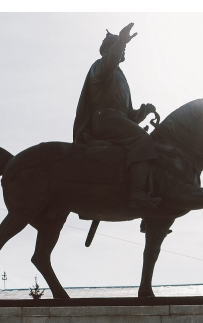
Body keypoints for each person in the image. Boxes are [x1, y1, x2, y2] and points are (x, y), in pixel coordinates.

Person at [73, 23, 160, 209]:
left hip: (117, 120)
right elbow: (109, 63)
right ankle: (137, 194)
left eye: (124, 47)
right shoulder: (100, 67)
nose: (123, 51)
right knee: (143, 140)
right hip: (104, 121)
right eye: (121, 48)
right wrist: (120, 41)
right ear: (111, 50)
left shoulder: (120, 76)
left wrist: (144, 111)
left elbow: (128, 115)